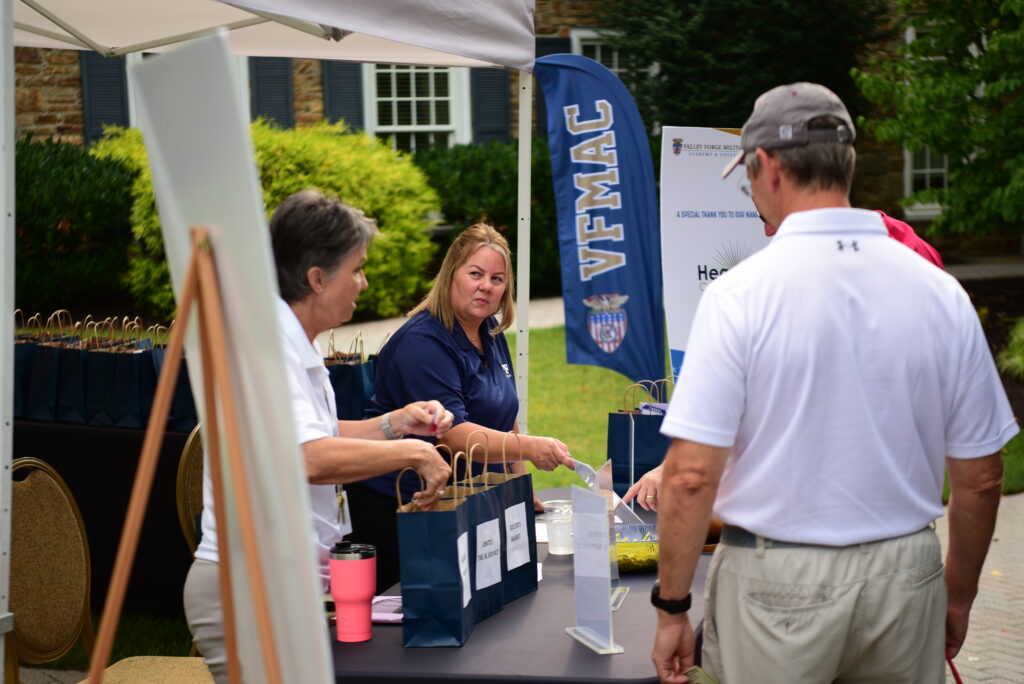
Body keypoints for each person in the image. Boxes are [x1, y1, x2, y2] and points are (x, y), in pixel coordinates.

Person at [649, 83, 1018, 683]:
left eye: (746, 179)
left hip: (776, 583)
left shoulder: (740, 295)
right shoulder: (938, 291)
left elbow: (690, 478)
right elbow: (982, 477)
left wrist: (672, 608)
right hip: (908, 574)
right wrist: (957, 595)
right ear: (846, 163)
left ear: (766, 167)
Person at [183, 190, 454, 684]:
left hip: (279, 579)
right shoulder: (269, 350)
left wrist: (395, 424)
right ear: (316, 278)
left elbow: (320, 435)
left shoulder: (290, 342)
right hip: (249, 584)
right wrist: (412, 451)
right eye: (356, 269)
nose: (363, 283)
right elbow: (306, 458)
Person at [623, 213, 942, 513]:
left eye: (763, 216)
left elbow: (754, 419)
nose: (765, 231)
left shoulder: (759, 292)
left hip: (802, 530)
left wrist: (675, 470)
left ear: (773, 176)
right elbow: (976, 466)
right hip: (901, 526)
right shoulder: (927, 274)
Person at [345, 223, 574, 590]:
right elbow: (451, 435)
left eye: (497, 278)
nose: (486, 285)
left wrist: (517, 485)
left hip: (463, 502)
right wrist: (529, 448)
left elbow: (505, 412)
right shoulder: (421, 343)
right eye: (476, 274)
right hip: (404, 510)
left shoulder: (489, 331)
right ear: (451, 274)